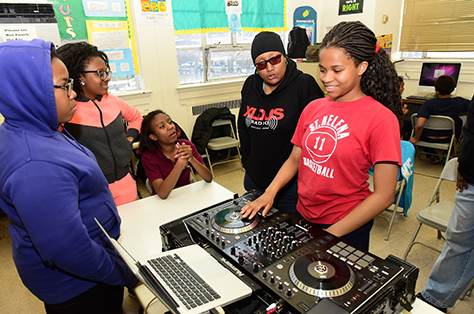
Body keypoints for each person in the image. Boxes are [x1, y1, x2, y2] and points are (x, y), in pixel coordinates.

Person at [0, 39, 138, 314]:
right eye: (65, 86)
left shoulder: (37, 128)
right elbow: (67, 250)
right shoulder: (35, 165)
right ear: (31, 92)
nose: (73, 94)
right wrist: (122, 273)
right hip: (81, 285)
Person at [241, 21, 403, 251]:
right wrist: (269, 193)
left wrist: (328, 236)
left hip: (346, 225)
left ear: (361, 67)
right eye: (323, 70)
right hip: (304, 215)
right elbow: (295, 159)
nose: (327, 78)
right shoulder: (314, 108)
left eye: (337, 70)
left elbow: (384, 195)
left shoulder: (381, 119)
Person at [238, 31, 325, 216]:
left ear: (284, 57)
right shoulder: (250, 85)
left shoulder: (304, 85)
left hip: (290, 185)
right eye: (261, 64)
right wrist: (247, 161)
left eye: (275, 59)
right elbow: (242, 126)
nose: (269, 68)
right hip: (255, 179)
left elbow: (315, 138)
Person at [56, 42, 143, 206]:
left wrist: (129, 139)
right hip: (92, 192)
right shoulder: (67, 110)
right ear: (81, 77)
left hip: (126, 184)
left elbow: (136, 117)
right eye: (100, 73)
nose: (107, 78)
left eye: (106, 72)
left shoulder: (112, 101)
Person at [416, 96, 474, 313]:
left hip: (429, 143)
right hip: (470, 178)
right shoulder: (462, 102)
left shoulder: (428, 104)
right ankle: (434, 299)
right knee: (458, 241)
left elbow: (419, 123)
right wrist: (464, 161)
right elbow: (469, 129)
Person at [138, 110, 212, 199]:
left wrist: (191, 158)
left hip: (186, 196)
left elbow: (208, 178)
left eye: (170, 122)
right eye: (162, 126)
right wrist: (180, 164)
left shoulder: (186, 145)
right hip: (164, 203)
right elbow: (162, 194)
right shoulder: (148, 157)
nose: (170, 127)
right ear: (153, 137)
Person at [409, 75, 469, 163]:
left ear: (436, 90)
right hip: (448, 138)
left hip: (427, 137)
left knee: (414, 126)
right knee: (459, 121)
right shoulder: (459, 102)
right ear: (452, 89)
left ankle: (431, 155)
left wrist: (416, 138)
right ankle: (447, 153)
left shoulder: (428, 104)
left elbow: (420, 124)